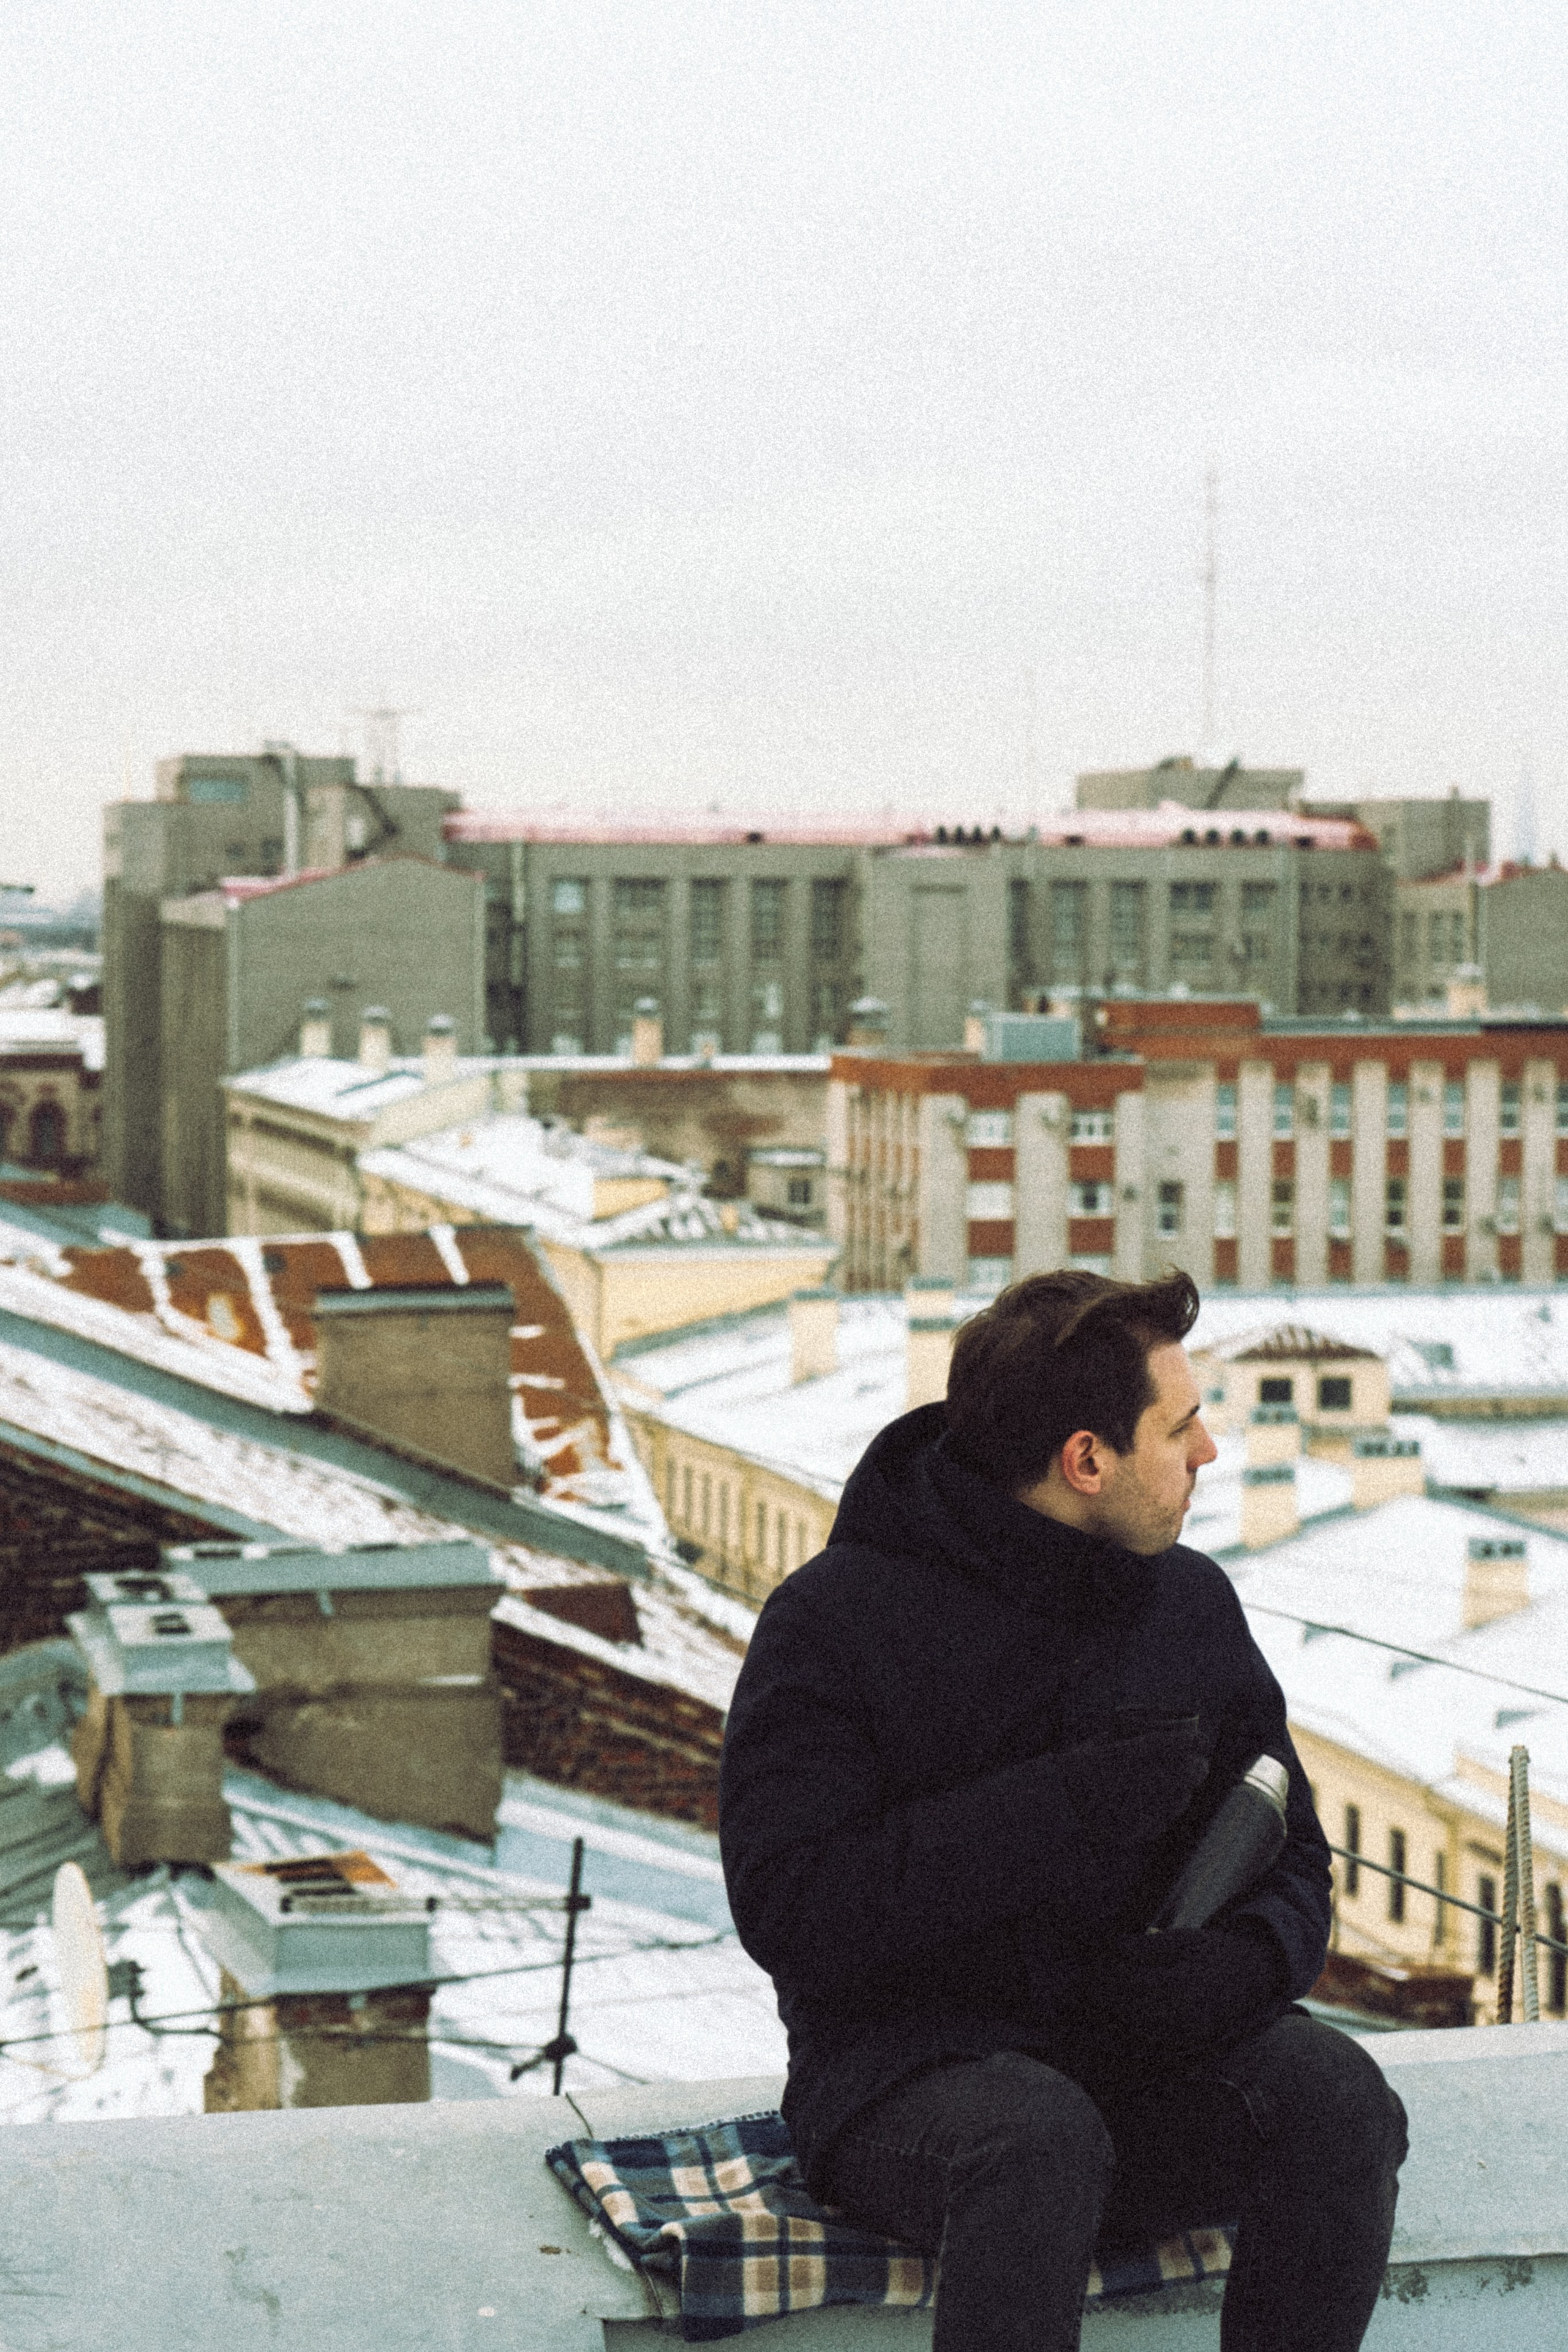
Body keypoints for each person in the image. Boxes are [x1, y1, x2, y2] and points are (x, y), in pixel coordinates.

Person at [720, 1268, 1406, 2352]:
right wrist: (1058, 1809)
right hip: (902, 2079)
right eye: (1179, 1428)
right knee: (1038, 2140)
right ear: (1087, 1460)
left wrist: (1240, 1966)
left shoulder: (1186, 1600)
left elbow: (1294, 1849)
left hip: (1138, 2059)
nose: (1208, 1452)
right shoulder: (833, 1620)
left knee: (1338, 2099)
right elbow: (790, 1910)